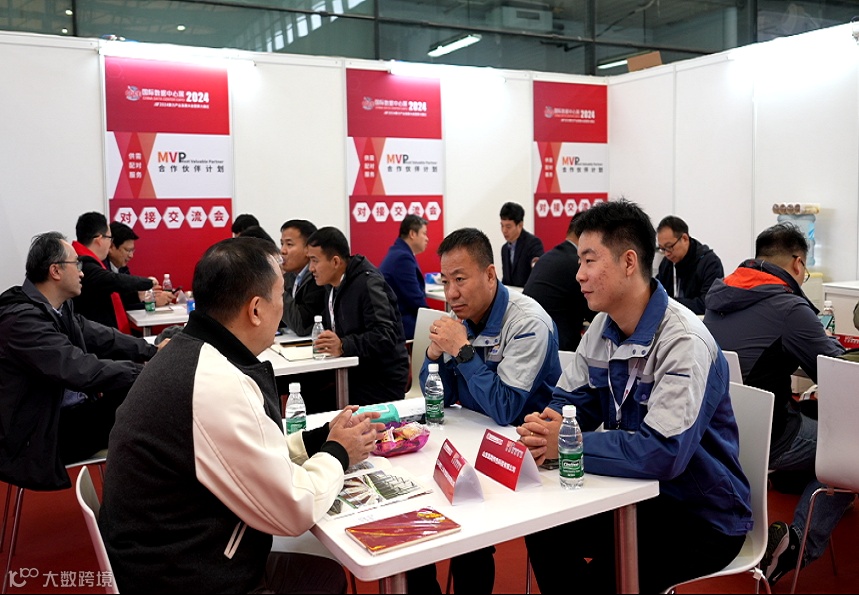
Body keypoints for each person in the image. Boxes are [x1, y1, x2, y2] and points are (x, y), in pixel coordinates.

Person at [98, 237, 385, 594]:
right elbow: (294, 509)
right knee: (323, 578)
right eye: (281, 296)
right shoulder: (213, 382)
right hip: (189, 576)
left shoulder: (192, 353)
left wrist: (320, 439)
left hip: (172, 555)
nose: (284, 306)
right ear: (256, 310)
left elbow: (244, 452)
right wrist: (338, 452)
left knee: (322, 574)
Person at [519, 200, 751, 593]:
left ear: (629, 262)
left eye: (589, 261)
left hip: (698, 512)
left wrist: (569, 444)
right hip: (632, 493)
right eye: (579, 261)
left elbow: (663, 453)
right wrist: (545, 429)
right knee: (544, 529)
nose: (579, 275)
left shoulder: (683, 341)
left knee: (607, 579)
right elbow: (568, 403)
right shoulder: (602, 327)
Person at [408, 227, 561, 594]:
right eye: (445, 281)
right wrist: (433, 355)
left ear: (490, 275)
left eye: (460, 280)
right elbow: (440, 397)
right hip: (471, 440)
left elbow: (505, 408)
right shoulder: (462, 318)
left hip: (524, 460)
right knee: (413, 514)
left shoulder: (527, 323)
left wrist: (462, 351)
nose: (451, 293)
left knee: (464, 524)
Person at [703, 221, 849, 586]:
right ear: (798, 263)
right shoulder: (788, 306)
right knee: (849, 450)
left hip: (722, 435)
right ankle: (797, 544)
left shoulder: (719, 296)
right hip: (771, 436)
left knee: (810, 417)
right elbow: (837, 370)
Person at [0, 232, 163, 491]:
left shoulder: (58, 308)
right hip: (42, 434)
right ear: (55, 270)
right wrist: (147, 371)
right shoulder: (22, 321)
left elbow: (99, 335)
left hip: (67, 416)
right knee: (149, 404)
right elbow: (79, 368)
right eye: (76, 264)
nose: (82, 272)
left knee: (142, 398)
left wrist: (151, 351)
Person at [306, 227, 410, 406]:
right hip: (354, 370)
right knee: (307, 389)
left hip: (380, 379)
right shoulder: (332, 285)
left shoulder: (368, 283)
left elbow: (385, 335)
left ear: (335, 261)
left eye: (315, 260)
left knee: (316, 403)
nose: (311, 268)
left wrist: (343, 345)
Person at [72, 212, 158, 333]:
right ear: (99, 239)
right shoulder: (84, 265)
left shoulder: (84, 261)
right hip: (95, 336)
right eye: (109, 238)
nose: (110, 244)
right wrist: (148, 283)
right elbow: (114, 280)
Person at [523, 212, 595, 351]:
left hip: (531, 341)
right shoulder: (576, 264)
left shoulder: (547, 257)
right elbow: (594, 314)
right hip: (559, 348)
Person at [655, 215, 724, 314]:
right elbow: (657, 293)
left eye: (669, 247)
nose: (666, 254)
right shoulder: (667, 263)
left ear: (685, 238)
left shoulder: (710, 263)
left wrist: (670, 303)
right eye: (662, 249)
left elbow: (708, 304)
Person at [379, 214, 430, 339]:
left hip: (392, 318)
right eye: (424, 234)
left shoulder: (398, 252)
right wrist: (432, 318)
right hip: (400, 322)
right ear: (412, 234)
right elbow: (415, 299)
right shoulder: (403, 258)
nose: (427, 239)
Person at [105, 221, 171, 311]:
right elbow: (120, 306)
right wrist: (153, 303)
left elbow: (129, 299)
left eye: (133, 250)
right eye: (127, 250)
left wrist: (148, 293)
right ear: (111, 247)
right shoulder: (102, 270)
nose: (131, 255)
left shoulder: (123, 269)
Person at [279, 219, 325, 336]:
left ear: (308, 249)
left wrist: (276, 286)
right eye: (282, 244)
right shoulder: (290, 276)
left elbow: (301, 326)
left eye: (289, 244)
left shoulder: (318, 279)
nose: (282, 251)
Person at [499, 201, 544, 287]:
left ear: (520, 225)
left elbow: (538, 273)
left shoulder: (533, 244)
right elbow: (506, 279)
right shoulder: (504, 249)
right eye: (502, 226)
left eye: (508, 227)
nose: (504, 230)